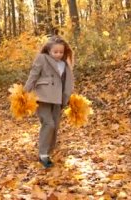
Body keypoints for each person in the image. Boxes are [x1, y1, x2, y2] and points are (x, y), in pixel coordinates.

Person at [24, 35, 75, 168]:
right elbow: (33, 75)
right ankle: (43, 154)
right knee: (49, 124)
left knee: (55, 126)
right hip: (43, 97)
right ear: (48, 50)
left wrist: (68, 98)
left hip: (58, 99)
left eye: (61, 52)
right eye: (55, 52)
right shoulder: (42, 58)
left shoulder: (64, 64)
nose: (58, 54)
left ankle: (48, 151)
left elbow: (67, 82)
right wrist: (24, 93)